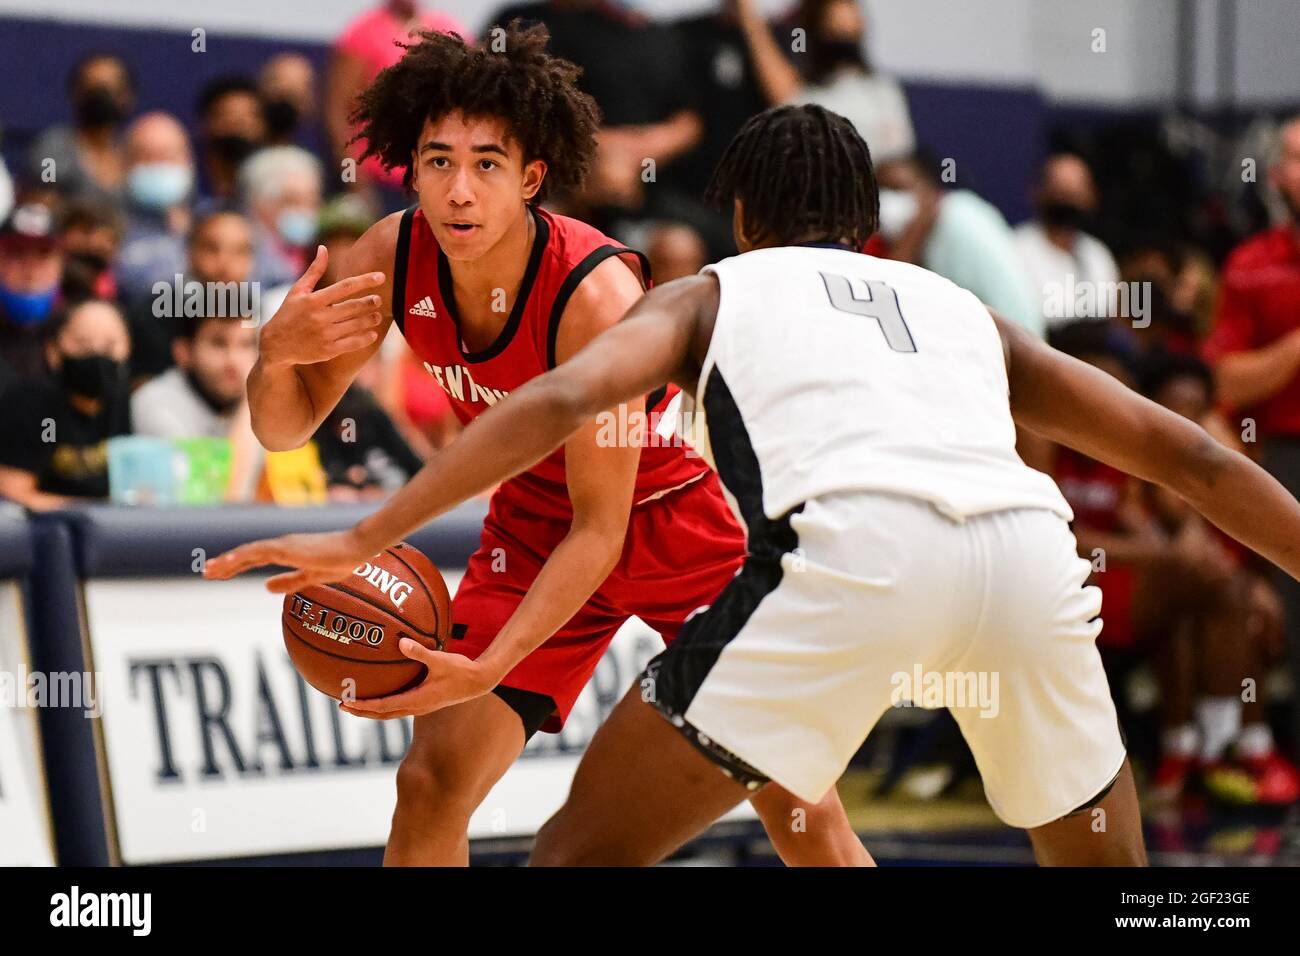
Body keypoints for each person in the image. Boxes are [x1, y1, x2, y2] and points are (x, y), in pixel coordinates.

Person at [209, 103, 1300, 867]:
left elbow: (551, 409)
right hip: (1026, 561)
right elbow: (1194, 457)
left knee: (613, 849)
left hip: (799, 554)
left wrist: (366, 534)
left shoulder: (695, 293)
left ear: (737, 219)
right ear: (869, 226)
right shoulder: (962, 310)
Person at [205, 26, 868, 868]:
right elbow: (283, 426)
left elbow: (604, 529)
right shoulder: (390, 254)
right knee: (432, 780)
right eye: (439, 160)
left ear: (530, 177)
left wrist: (492, 668)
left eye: (487, 164)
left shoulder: (597, 294)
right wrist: (276, 355)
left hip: (677, 524)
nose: (459, 189)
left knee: (798, 804)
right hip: (534, 523)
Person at [1204, 114, 1300, 760]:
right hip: (1285, 458)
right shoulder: (1251, 266)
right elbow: (1228, 379)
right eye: (1297, 158)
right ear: (1276, 177)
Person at [736, 0, 914, 164]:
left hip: (881, 190)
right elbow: (781, 88)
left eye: (850, 34)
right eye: (834, 33)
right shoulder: (806, 95)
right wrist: (748, 16)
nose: (843, 41)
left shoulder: (882, 89)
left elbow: (901, 153)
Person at [0, 299, 131, 510]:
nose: (96, 355)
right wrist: (98, 513)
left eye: (109, 346)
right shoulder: (30, 402)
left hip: (110, 535)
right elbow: (13, 494)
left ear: (128, 349)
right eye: (83, 344)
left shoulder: (127, 403)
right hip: (43, 535)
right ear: (53, 350)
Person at [130, 310, 262, 502]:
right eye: (218, 344)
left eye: (245, 345)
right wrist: (253, 396)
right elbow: (220, 498)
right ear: (183, 352)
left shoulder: (257, 399)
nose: (233, 361)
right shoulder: (154, 403)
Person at [1013, 153, 1121, 331]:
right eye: (1060, 191)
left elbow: (1109, 320)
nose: (1068, 201)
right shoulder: (1015, 250)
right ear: (1038, 192)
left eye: (1075, 193)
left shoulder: (1098, 255)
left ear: (1092, 196)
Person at [25, 52, 135, 208]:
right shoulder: (52, 150)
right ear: (75, 93)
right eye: (92, 89)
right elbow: (42, 202)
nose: (99, 99)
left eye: (107, 91)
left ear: (126, 97)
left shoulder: (133, 153)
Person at [116, 112, 195, 308]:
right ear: (124, 164)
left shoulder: (217, 222)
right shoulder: (107, 229)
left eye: (167, 155)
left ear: (188, 161)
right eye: (145, 157)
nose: (157, 164)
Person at [0, 203, 66, 390]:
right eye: (17, 254)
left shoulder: (79, 331)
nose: (30, 269)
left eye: (43, 254)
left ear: (61, 264)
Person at [238, 146, 323, 288]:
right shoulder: (246, 259)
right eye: (291, 201)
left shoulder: (321, 250)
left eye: (311, 200)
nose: (304, 210)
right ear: (260, 204)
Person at [196, 76, 267, 203]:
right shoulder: (189, 184)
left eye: (247, 119)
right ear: (205, 124)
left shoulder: (274, 186)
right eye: (227, 116)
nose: (237, 127)